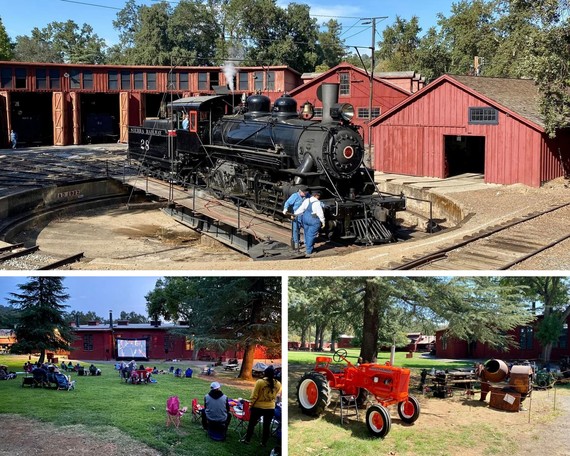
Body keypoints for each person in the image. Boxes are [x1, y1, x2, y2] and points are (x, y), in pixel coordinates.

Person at [240, 366, 282, 447]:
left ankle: (247, 440)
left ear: (265, 373)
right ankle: (263, 443)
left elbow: (254, 396)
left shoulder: (260, 382)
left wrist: (250, 405)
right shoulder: (278, 384)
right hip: (270, 408)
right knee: (266, 427)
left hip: (258, 407)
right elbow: (276, 395)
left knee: (251, 424)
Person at [294, 190, 325, 256]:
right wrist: (323, 221)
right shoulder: (317, 203)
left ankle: (308, 247)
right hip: (313, 220)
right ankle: (309, 251)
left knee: (307, 233)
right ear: (316, 196)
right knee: (311, 235)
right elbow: (320, 214)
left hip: (305, 219)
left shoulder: (306, 200)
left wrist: (295, 214)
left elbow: (301, 209)